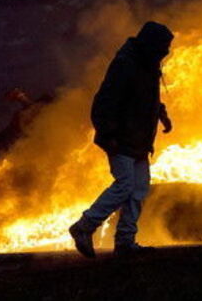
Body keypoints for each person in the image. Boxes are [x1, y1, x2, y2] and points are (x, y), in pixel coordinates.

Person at [69, 22, 174, 258]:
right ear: (150, 44)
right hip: (122, 139)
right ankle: (84, 227)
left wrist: (162, 115)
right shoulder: (125, 64)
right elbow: (104, 102)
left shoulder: (148, 64)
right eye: (163, 47)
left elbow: (148, 98)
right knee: (125, 185)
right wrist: (109, 136)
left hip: (139, 140)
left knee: (138, 190)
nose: (165, 53)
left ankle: (125, 242)